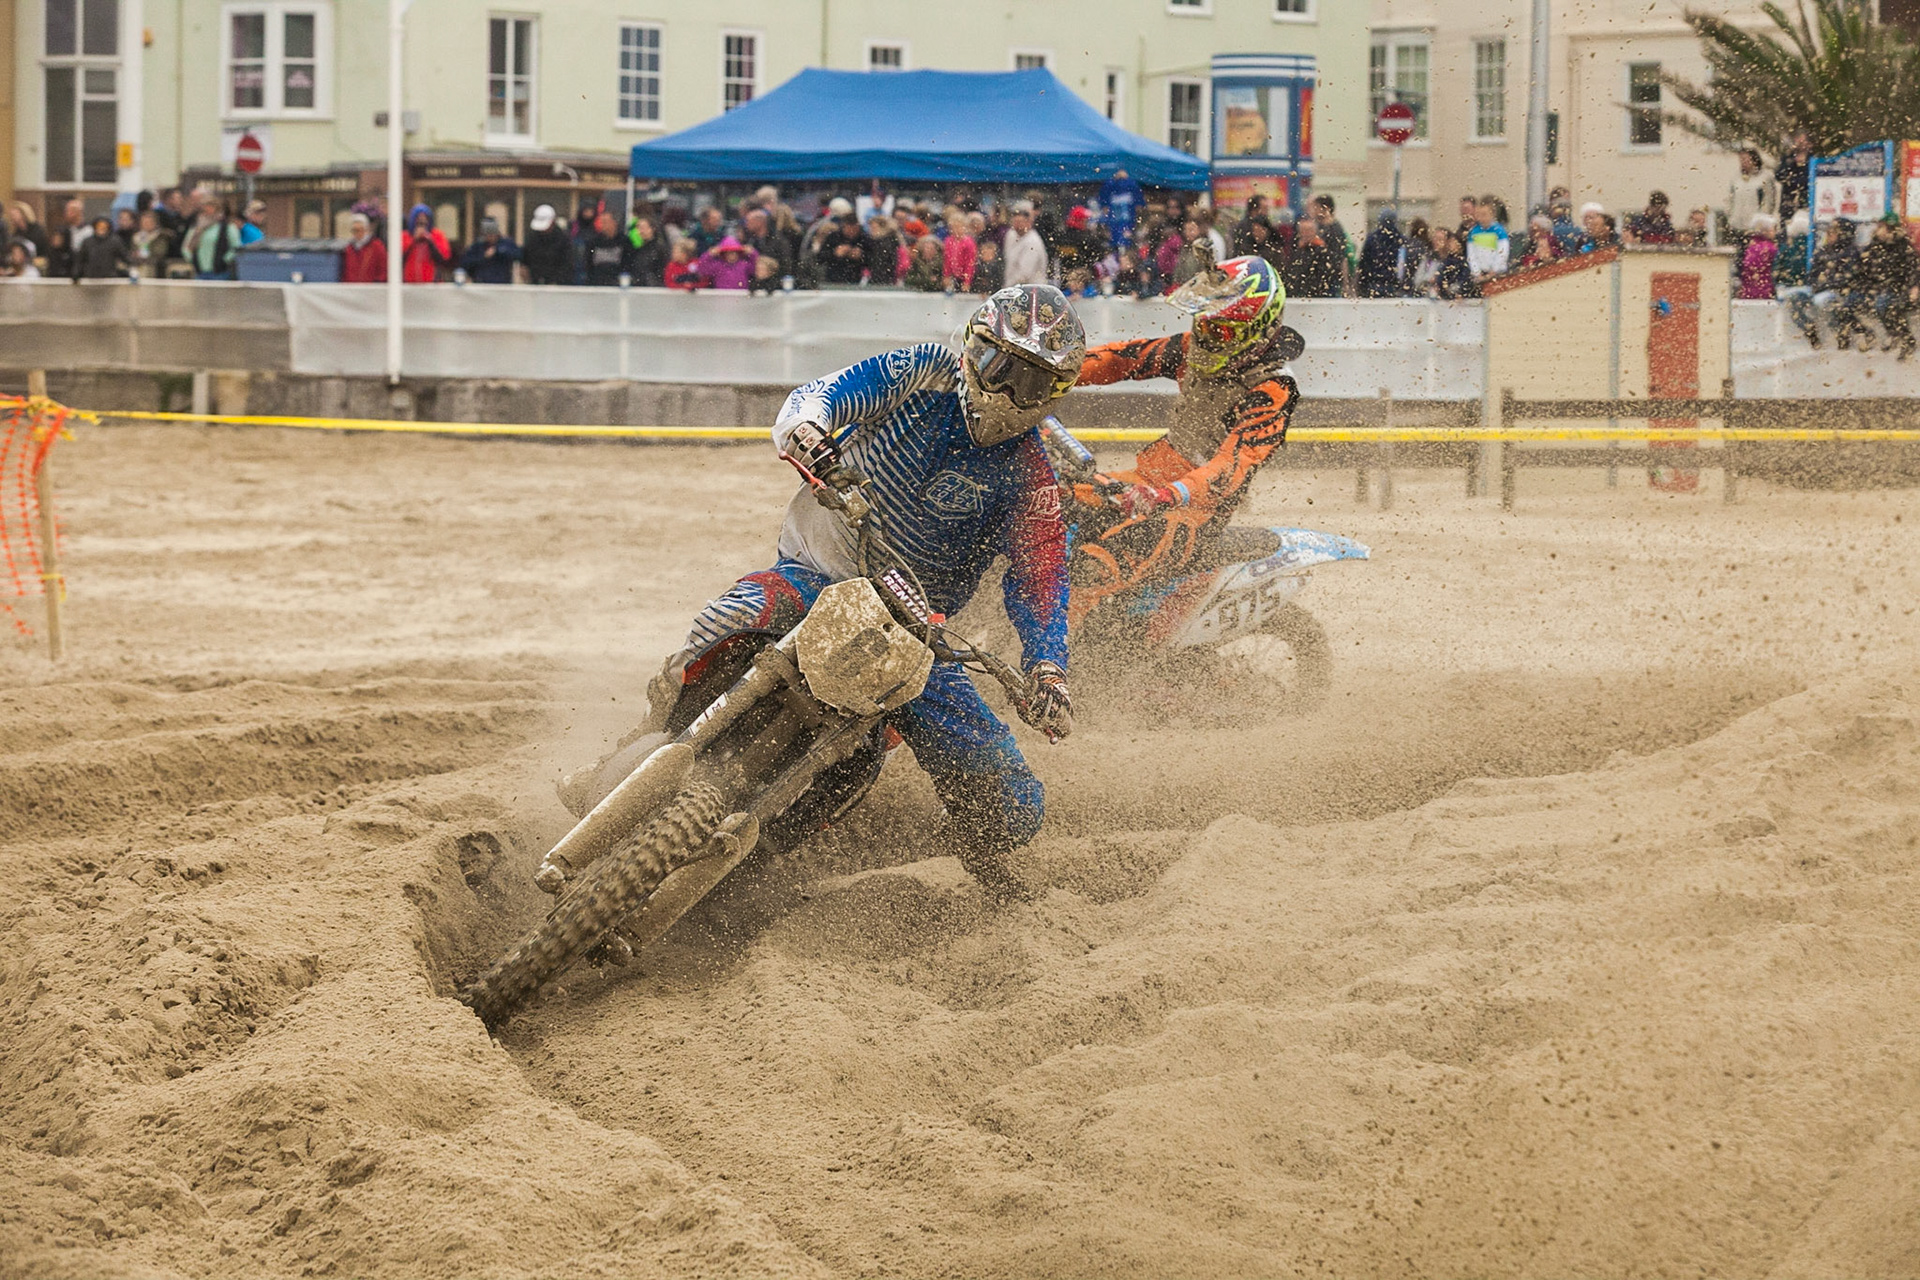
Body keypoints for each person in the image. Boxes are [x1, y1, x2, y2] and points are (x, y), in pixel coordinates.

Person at [649, 285, 1084, 902]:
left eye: (1032, 384)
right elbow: (818, 396)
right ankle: (647, 735)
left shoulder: (1031, 473)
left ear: (1054, 396)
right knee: (730, 618)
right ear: (973, 349)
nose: (1010, 393)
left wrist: (1047, 667)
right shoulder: (921, 372)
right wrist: (809, 433)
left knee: (1012, 804)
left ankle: (917, 848)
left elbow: (1042, 579)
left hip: (912, 633)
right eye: (999, 367)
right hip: (818, 570)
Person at [1071, 254, 1299, 589]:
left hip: (1196, 513)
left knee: (1093, 566)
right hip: (1146, 481)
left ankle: (1085, 641)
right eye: (1203, 323)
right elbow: (1125, 359)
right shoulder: (1196, 347)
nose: (1206, 337)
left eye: (1219, 329)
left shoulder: (1272, 388)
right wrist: (1055, 369)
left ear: (1254, 330)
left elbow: (1230, 466)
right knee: (1055, 502)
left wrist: (1168, 494)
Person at [1857, 215, 1919, 358]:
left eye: (1881, 227)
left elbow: (1913, 268)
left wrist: (1913, 287)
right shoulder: (1875, 245)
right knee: (1856, 302)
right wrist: (1864, 285)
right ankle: (1892, 335)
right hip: (1879, 287)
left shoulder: (1902, 245)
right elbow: (1865, 268)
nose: (1878, 230)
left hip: (1900, 287)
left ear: (1890, 228)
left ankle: (1905, 339)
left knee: (1889, 304)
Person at [1809, 217, 1870, 350]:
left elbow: (1849, 277)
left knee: (1827, 302)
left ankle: (1843, 333)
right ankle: (1811, 332)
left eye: (1833, 231)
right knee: (1796, 297)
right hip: (1822, 290)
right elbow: (1813, 275)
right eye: (1829, 231)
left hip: (1839, 291)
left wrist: (1827, 284)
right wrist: (1819, 285)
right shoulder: (1822, 252)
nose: (1829, 234)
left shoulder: (1851, 252)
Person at [1775, 210, 1819, 346]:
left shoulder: (1786, 248)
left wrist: (1780, 284)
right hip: (1809, 288)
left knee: (1793, 307)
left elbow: (1776, 270)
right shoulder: (1813, 247)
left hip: (1790, 288)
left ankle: (1809, 329)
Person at [1283, 217, 1345, 298]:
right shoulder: (1296, 251)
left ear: (1315, 231)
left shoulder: (1322, 251)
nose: (1306, 233)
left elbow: (1327, 276)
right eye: (1303, 230)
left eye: (1309, 230)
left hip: (1317, 297)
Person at [1729, 148, 1780, 246]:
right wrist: (1731, 216)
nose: (1743, 162)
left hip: (1755, 225)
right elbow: (1731, 198)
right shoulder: (1736, 178)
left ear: (1754, 160)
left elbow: (1769, 200)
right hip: (1738, 224)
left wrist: (1762, 219)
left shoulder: (1765, 177)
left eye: (1746, 159)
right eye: (1741, 160)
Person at [1357, 208, 1408, 297]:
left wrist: (1361, 285)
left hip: (1373, 284)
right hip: (1393, 285)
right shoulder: (1400, 239)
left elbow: (1363, 263)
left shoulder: (1372, 239)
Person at [184, 198, 239, 279]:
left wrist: (225, 260)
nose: (207, 212)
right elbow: (186, 247)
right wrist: (191, 259)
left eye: (210, 209)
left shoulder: (228, 227)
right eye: (204, 210)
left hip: (220, 273)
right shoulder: (196, 228)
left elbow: (236, 248)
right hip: (200, 273)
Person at [523, 204, 575, 285]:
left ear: (552, 222)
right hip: (535, 283)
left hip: (557, 284)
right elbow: (525, 257)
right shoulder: (532, 238)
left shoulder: (563, 239)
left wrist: (557, 281)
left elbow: (567, 264)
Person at [459, 217, 521, 284]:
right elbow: (466, 263)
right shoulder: (477, 246)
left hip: (502, 283)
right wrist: (483, 257)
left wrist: (499, 251)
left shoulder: (506, 243)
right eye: (487, 235)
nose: (490, 238)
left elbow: (517, 255)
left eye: (492, 235)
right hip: (481, 282)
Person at [1002, 202, 1049, 287]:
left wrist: (1008, 287)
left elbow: (1025, 273)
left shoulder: (1033, 241)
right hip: (1012, 285)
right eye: (1015, 221)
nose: (1017, 225)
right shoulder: (1010, 235)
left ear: (1029, 223)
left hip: (1032, 287)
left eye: (1020, 222)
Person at [1464, 196, 1510, 281]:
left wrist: (1494, 270)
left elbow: (1502, 252)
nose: (1482, 218)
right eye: (1479, 215)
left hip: (1498, 273)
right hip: (1481, 274)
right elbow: (1471, 254)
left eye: (1484, 214)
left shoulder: (1499, 231)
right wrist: (1476, 272)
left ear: (1492, 214)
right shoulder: (1474, 232)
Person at [402, 205, 452, 283]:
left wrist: (430, 241)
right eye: (418, 220)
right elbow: (398, 258)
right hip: (409, 283)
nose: (422, 223)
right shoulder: (405, 236)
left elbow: (444, 258)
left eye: (425, 219)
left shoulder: (437, 235)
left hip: (432, 283)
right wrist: (413, 240)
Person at [581, 211, 632, 287]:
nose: (603, 225)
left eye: (606, 222)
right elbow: (588, 263)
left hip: (617, 284)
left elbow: (628, 263)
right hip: (597, 283)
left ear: (614, 223)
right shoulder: (593, 242)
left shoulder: (624, 242)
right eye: (602, 222)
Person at [818, 212, 870, 285]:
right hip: (833, 278)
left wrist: (861, 255)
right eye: (849, 229)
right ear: (844, 227)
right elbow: (820, 258)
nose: (851, 232)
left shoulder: (863, 239)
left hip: (856, 279)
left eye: (854, 229)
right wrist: (835, 253)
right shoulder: (833, 237)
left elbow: (873, 259)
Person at [72, 215, 129, 279]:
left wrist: (132, 269)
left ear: (108, 227)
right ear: (95, 227)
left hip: (109, 278)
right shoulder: (87, 242)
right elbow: (80, 260)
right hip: (91, 278)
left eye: (104, 226)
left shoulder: (115, 241)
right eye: (99, 226)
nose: (101, 228)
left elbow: (125, 257)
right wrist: (76, 273)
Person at [1099, 167, 1144, 246]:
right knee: (1115, 233)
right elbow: (1104, 200)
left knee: (1127, 234)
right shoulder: (1110, 184)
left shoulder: (1132, 184)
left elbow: (1138, 202)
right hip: (1115, 218)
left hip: (1128, 219)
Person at [340, 212, 386, 283]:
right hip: (351, 289)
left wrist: (378, 283)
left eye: (359, 230)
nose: (357, 233)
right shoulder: (349, 248)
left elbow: (383, 269)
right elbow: (345, 271)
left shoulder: (377, 246)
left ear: (366, 230)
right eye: (354, 230)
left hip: (371, 289)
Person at [1777, 131, 1814, 220]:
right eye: (1798, 140)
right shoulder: (1788, 158)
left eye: (1803, 141)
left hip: (1806, 202)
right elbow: (1779, 175)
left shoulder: (1812, 160)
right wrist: (1792, 163)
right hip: (1788, 203)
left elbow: (1810, 180)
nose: (1800, 144)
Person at [129, 209, 175, 277]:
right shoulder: (136, 237)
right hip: (138, 268)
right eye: (144, 222)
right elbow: (133, 251)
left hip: (156, 269)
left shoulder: (161, 237)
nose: (146, 224)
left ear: (155, 223)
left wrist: (146, 255)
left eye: (148, 222)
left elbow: (160, 253)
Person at [940, 211, 976, 291]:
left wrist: (967, 281)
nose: (956, 230)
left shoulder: (968, 243)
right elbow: (947, 260)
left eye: (958, 227)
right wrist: (946, 275)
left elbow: (970, 263)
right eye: (953, 227)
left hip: (964, 276)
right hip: (953, 276)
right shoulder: (948, 241)